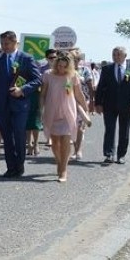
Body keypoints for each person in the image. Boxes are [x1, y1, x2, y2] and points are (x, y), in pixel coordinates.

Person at [0, 31, 43, 177]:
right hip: (2, 104)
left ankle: (20, 165)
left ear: (15, 42)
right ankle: (10, 167)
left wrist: (22, 90)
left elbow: (38, 80)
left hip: (20, 104)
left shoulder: (26, 58)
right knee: (7, 136)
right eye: (2, 43)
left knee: (18, 134)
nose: (4, 46)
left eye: (7, 44)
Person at [40, 52, 90, 182]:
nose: (61, 68)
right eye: (59, 65)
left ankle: (63, 170)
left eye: (64, 66)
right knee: (55, 142)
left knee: (65, 140)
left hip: (68, 112)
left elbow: (79, 94)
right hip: (52, 111)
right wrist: (41, 109)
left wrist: (85, 108)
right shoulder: (48, 75)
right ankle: (59, 162)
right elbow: (43, 94)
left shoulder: (73, 76)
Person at [94, 46, 130, 164]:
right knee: (109, 129)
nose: (115, 57)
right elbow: (101, 87)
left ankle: (121, 155)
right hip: (109, 105)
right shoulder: (107, 69)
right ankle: (109, 154)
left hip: (127, 105)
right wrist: (98, 103)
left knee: (124, 131)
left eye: (118, 55)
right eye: (114, 54)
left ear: (125, 56)